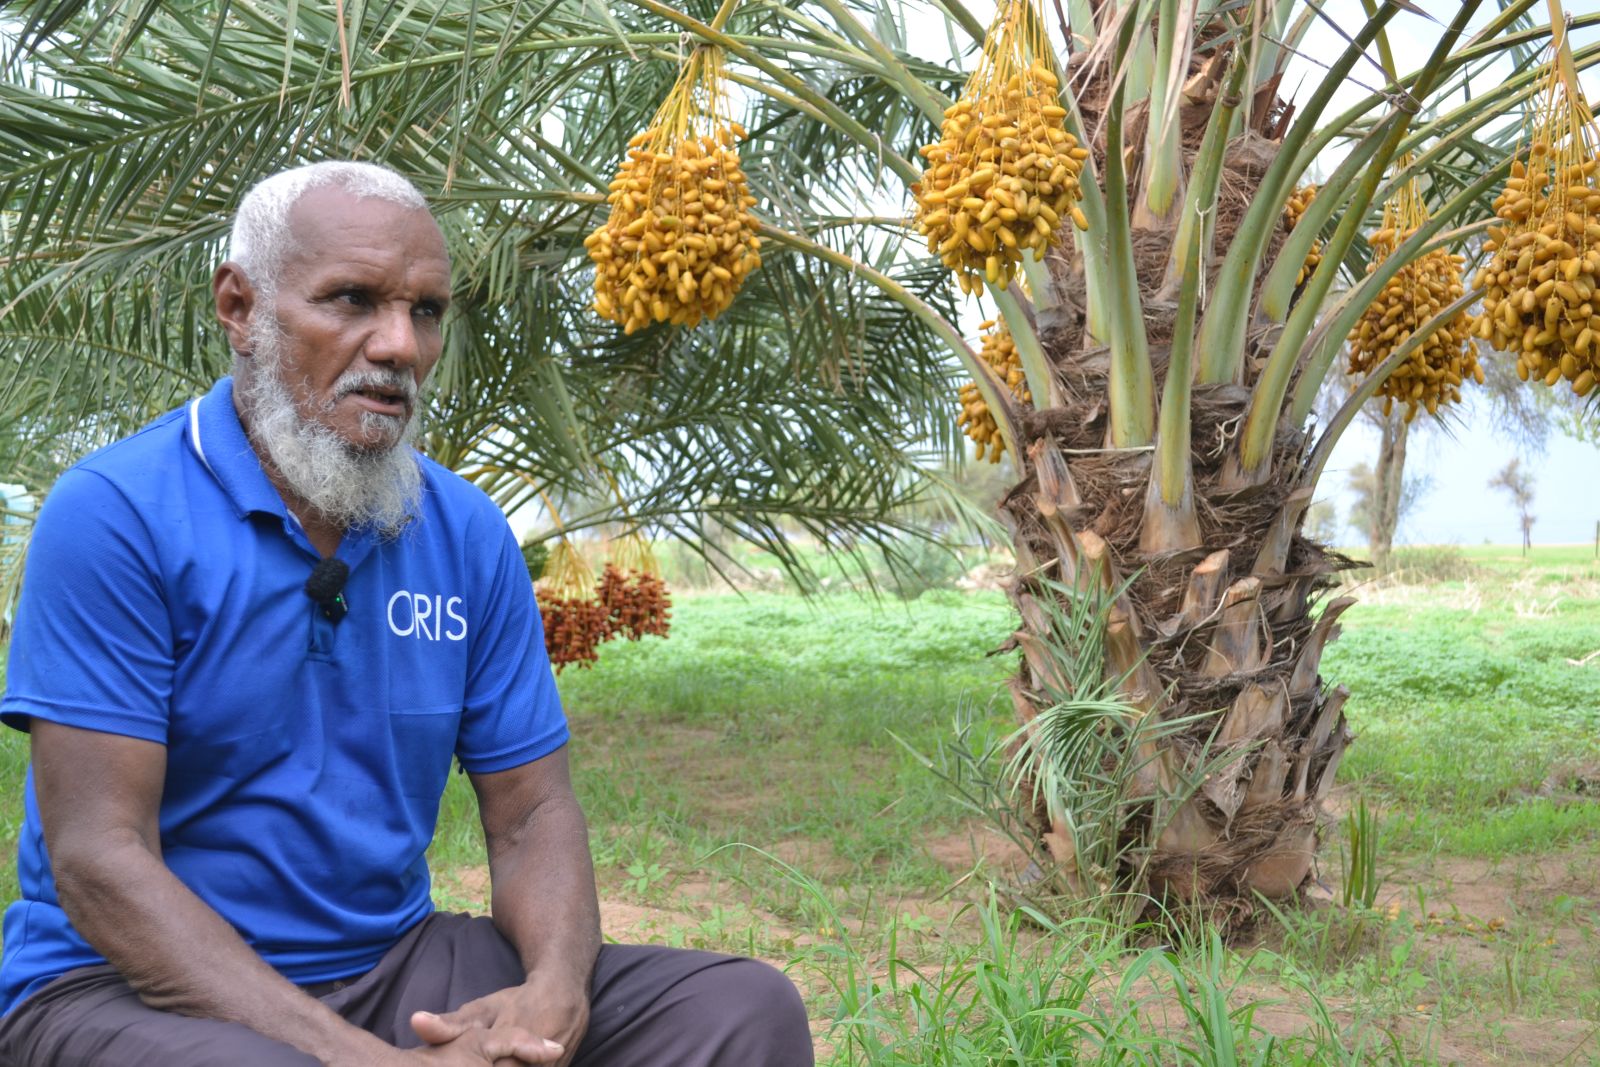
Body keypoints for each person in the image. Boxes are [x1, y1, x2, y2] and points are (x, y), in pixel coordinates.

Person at [0, 161, 812, 1066]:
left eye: (426, 311)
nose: (398, 345)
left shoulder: (464, 532)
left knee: (742, 1010)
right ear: (240, 307)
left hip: (390, 965)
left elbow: (532, 812)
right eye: (352, 300)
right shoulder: (117, 513)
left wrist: (553, 992)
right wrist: (359, 1059)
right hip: (120, 988)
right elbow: (98, 858)